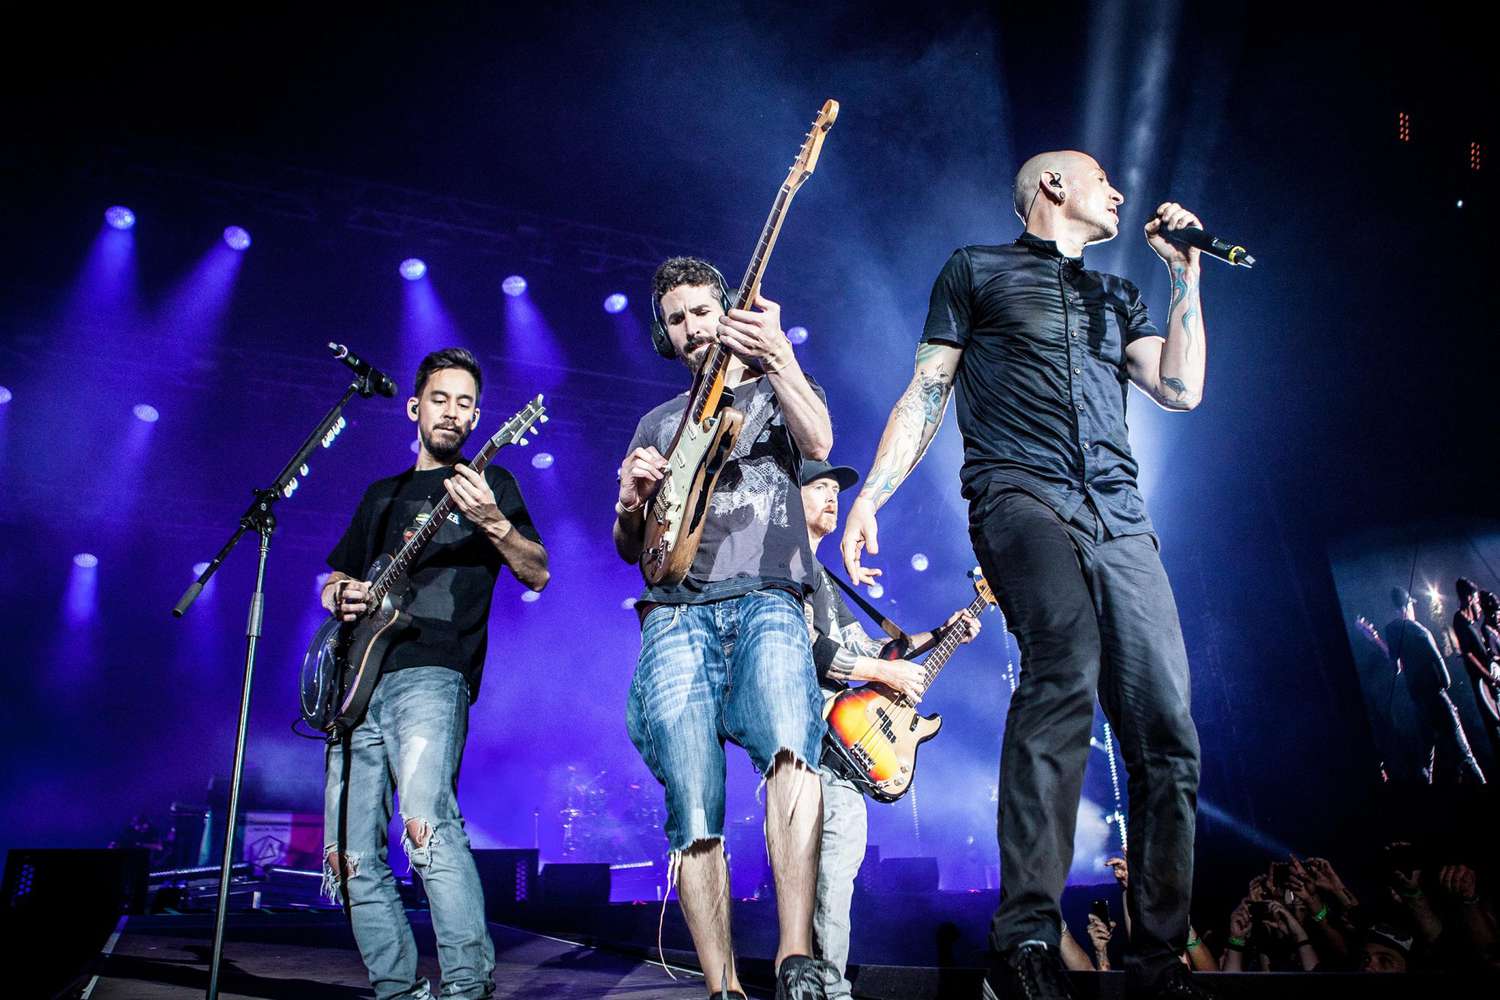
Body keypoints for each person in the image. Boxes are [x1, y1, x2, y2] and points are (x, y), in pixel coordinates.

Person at [840, 150, 1213, 999]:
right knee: (1065, 666)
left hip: (1119, 514)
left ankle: (1160, 960)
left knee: (1167, 729)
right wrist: (872, 496)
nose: (1118, 192)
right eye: (1102, 179)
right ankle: (1026, 939)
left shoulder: (1117, 294)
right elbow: (927, 390)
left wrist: (1187, 275)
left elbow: (1181, 388)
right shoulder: (975, 270)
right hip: (1019, 495)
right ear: (1053, 186)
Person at [614, 256, 836, 999]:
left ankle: (795, 956)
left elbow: (819, 443)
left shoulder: (775, 388)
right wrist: (628, 499)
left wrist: (781, 358)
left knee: (790, 747)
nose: (691, 329)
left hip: (768, 591)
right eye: (676, 320)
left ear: (727, 311)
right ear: (665, 334)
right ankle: (723, 987)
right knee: (691, 794)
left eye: (702, 312)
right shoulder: (656, 423)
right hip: (676, 611)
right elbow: (633, 550)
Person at [320, 347, 550, 1000]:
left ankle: (466, 988)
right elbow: (334, 576)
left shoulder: (492, 483)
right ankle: (396, 990)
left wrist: (491, 521)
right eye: (441, 399)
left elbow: (537, 571)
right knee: (348, 854)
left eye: (465, 403)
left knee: (426, 827)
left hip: (432, 671)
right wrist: (338, 595)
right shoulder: (383, 494)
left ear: (477, 418)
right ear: (414, 407)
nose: (452, 412)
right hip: (354, 686)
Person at [798, 457, 980, 997]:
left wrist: (944, 631)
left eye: (836, 491)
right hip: (808, 742)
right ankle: (821, 988)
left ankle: (823, 986)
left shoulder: (823, 580)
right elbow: (806, 647)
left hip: (843, 751)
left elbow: (874, 650)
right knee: (818, 876)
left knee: (836, 877)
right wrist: (883, 673)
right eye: (820, 487)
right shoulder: (782, 565)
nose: (833, 498)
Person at [1383, 587, 1485, 783]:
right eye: (1412, 605)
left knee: (1426, 762)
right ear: (1407, 606)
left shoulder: (1391, 631)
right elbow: (1440, 666)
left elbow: (1395, 668)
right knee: (1465, 756)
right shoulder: (1421, 631)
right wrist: (1444, 683)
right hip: (1437, 699)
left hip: (1419, 704)